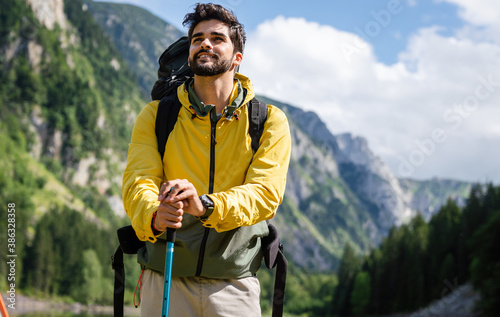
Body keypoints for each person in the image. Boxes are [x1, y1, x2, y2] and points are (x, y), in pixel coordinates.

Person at [122, 3, 291, 316]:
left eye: (217, 38)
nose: (205, 43)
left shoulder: (268, 121)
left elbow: (265, 193)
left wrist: (206, 206)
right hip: (163, 280)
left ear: (237, 58)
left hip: (234, 286)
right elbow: (138, 181)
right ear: (189, 53)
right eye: (197, 38)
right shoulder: (157, 115)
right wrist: (155, 216)